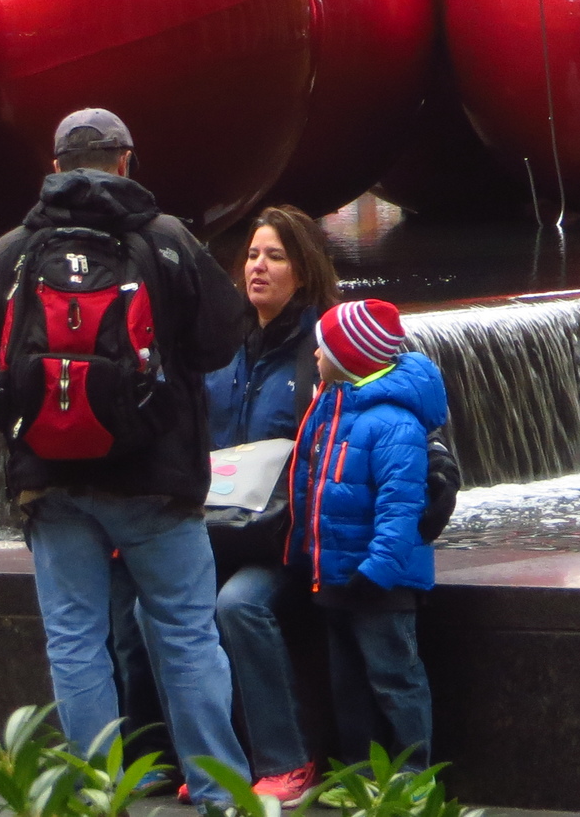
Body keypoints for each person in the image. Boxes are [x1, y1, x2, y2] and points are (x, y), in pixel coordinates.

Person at [0, 109, 253, 810]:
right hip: (156, 478)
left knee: (75, 637)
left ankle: (99, 794)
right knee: (186, 633)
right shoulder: (165, 240)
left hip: (51, 478)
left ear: (57, 164)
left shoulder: (12, 249)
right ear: (127, 160)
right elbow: (223, 338)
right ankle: (222, 794)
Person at [206, 207, 343, 800]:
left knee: (240, 605)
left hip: (287, 538)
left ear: (304, 272)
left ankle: (288, 759)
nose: (258, 268)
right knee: (149, 612)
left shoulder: (321, 353)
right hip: (216, 528)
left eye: (275, 256)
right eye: (253, 255)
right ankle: (211, 762)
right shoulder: (221, 345)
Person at [287, 298, 447, 771]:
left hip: (381, 584)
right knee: (348, 684)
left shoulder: (394, 422)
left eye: (322, 348)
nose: (314, 355)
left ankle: (414, 777)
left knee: (394, 678)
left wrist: (376, 572)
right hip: (336, 573)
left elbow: (400, 508)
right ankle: (360, 774)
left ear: (348, 356)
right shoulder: (333, 405)